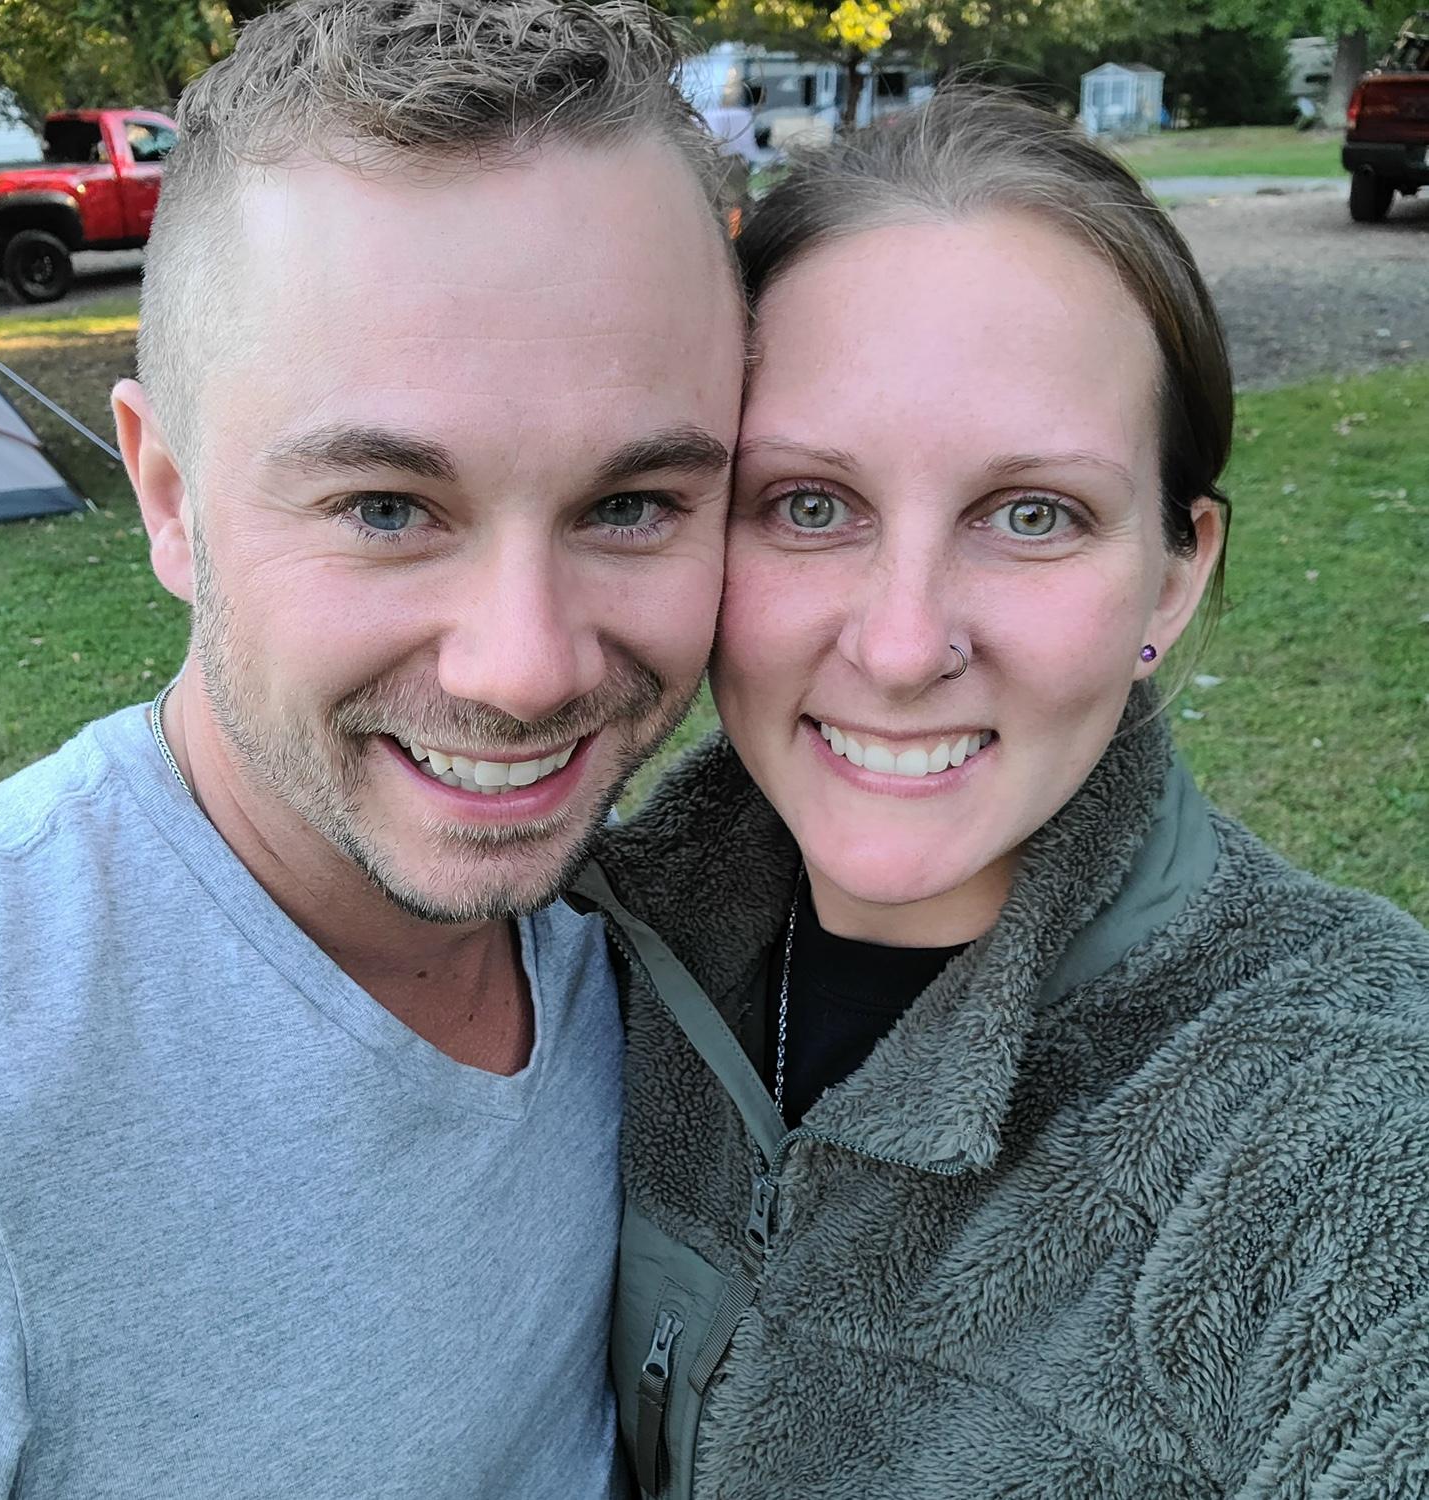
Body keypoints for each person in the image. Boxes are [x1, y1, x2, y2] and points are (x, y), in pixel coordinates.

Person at [0, 2, 743, 1494]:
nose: (526, 670)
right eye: (385, 508)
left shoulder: (674, 933)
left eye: (631, 506)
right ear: (169, 499)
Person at [582, 86, 1429, 1498]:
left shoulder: (1337, 1117)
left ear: (1177, 572)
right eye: (809, 504)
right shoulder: (574, 956)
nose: (903, 645)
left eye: (1033, 514)